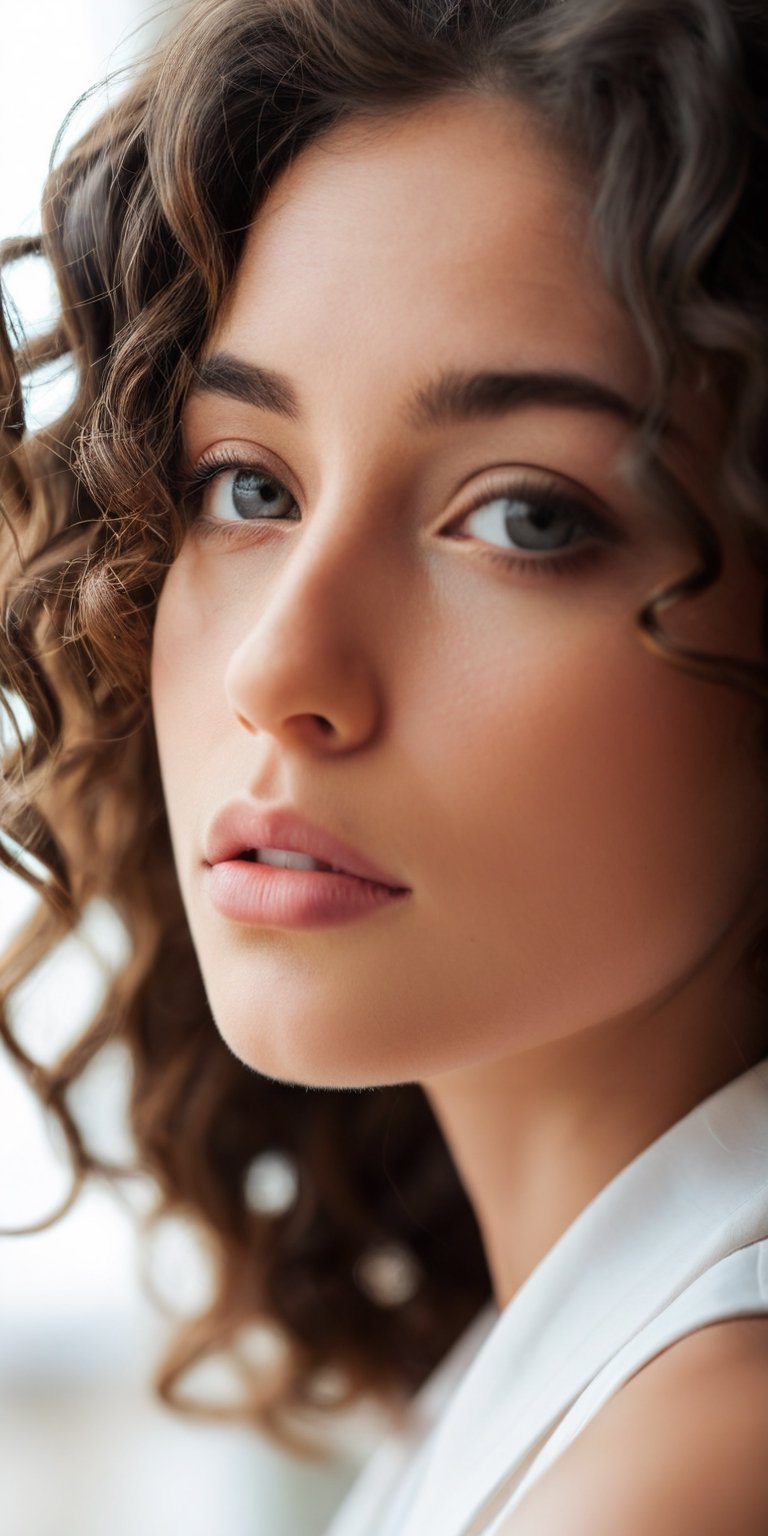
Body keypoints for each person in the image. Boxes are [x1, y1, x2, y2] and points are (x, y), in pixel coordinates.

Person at [2, 0, 768, 1530]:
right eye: (246, 484)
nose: (281, 671)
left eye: (525, 517)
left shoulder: (691, 1464)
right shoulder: (563, 1361)